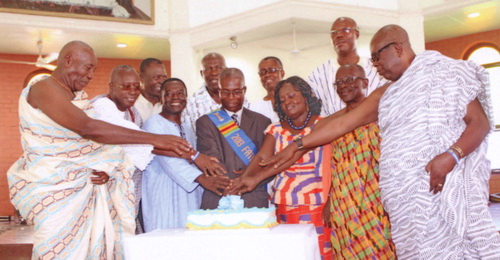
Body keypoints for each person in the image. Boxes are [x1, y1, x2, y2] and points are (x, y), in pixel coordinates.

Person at [252, 25, 500, 259]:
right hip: (406, 204)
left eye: (376, 58)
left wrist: (451, 156)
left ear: (398, 48)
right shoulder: (388, 93)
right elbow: (341, 124)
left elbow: (480, 123)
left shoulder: (444, 72)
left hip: (442, 186)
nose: (376, 66)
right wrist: (297, 145)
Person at [7, 41, 191, 259]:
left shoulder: (79, 99)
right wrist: (156, 139)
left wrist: (103, 166)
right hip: (54, 190)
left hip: (84, 187)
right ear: (68, 60)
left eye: (94, 69)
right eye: (88, 67)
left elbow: (90, 146)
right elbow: (88, 128)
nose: (91, 75)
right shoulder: (44, 87)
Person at [227, 76, 333, 259]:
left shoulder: (323, 125)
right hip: (285, 204)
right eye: (282, 100)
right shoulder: (275, 129)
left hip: (319, 205)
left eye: (291, 96)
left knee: (320, 254)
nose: (287, 103)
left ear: (306, 95)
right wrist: (243, 178)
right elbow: (262, 157)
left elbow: (336, 167)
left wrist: (332, 200)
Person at [322, 64, 395, 258]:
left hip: (376, 199)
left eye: (349, 80)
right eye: (339, 82)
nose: (343, 86)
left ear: (365, 82)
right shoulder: (335, 123)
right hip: (343, 202)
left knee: (380, 250)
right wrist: (330, 201)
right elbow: (334, 165)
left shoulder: (381, 114)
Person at [142, 78, 230, 231]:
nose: (175, 97)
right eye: (169, 94)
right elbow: (169, 161)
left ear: (186, 97)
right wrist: (203, 179)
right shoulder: (153, 123)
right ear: (161, 98)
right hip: (163, 194)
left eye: (180, 93)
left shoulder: (188, 127)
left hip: (189, 193)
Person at [91, 64, 154, 234]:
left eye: (136, 86)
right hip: (102, 185)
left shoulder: (134, 112)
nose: (133, 91)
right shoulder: (101, 106)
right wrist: (108, 169)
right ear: (111, 87)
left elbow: (134, 151)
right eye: (126, 86)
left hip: (128, 185)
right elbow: (128, 139)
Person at [196, 68, 271, 209]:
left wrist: (249, 175)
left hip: (254, 198)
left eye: (237, 92)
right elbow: (211, 162)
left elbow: (269, 163)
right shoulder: (205, 122)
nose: (231, 97)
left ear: (244, 90)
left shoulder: (263, 122)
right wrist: (234, 184)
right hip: (218, 198)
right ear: (219, 91)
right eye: (225, 92)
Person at [308, 17, 386, 116]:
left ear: (356, 34)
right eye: (334, 32)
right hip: (334, 129)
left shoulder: (376, 67)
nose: (339, 35)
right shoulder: (318, 74)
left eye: (345, 30)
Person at [183, 52, 248, 132]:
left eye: (219, 68)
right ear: (201, 73)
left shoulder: (242, 100)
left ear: (226, 70)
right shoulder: (190, 104)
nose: (214, 73)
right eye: (208, 69)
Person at [249, 56, 284, 123]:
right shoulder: (254, 108)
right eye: (262, 72)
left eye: (272, 70)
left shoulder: (292, 101)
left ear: (282, 73)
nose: (267, 75)